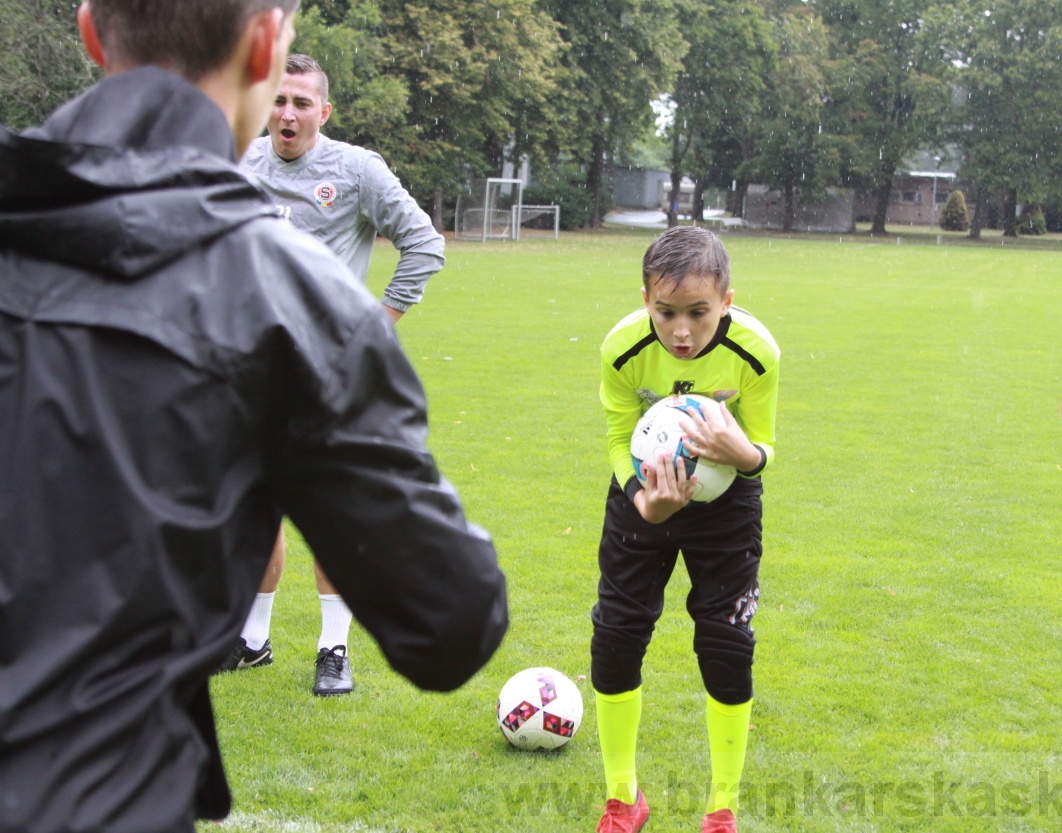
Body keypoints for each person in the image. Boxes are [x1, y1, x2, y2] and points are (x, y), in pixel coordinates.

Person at [0, 2, 507, 831]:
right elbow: (451, 622)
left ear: (90, 32)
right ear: (268, 46)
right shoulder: (289, 300)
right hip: (102, 799)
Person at [230, 53, 447, 695]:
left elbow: (424, 244)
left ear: (323, 112)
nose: (287, 113)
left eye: (302, 103)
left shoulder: (356, 170)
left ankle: (333, 650)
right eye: (278, 100)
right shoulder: (240, 164)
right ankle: (252, 639)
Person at [591, 226, 779, 833]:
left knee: (726, 649)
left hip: (726, 511)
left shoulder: (757, 352)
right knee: (616, 639)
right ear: (644, 298)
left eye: (698, 313)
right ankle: (624, 799)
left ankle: (720, 810)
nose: (680, 331)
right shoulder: (621, 348)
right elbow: (620, 439)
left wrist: (742, 452)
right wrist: (644, 501)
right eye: (665, 312)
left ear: (726, 301)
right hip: (642, 500)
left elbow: (765, 448)